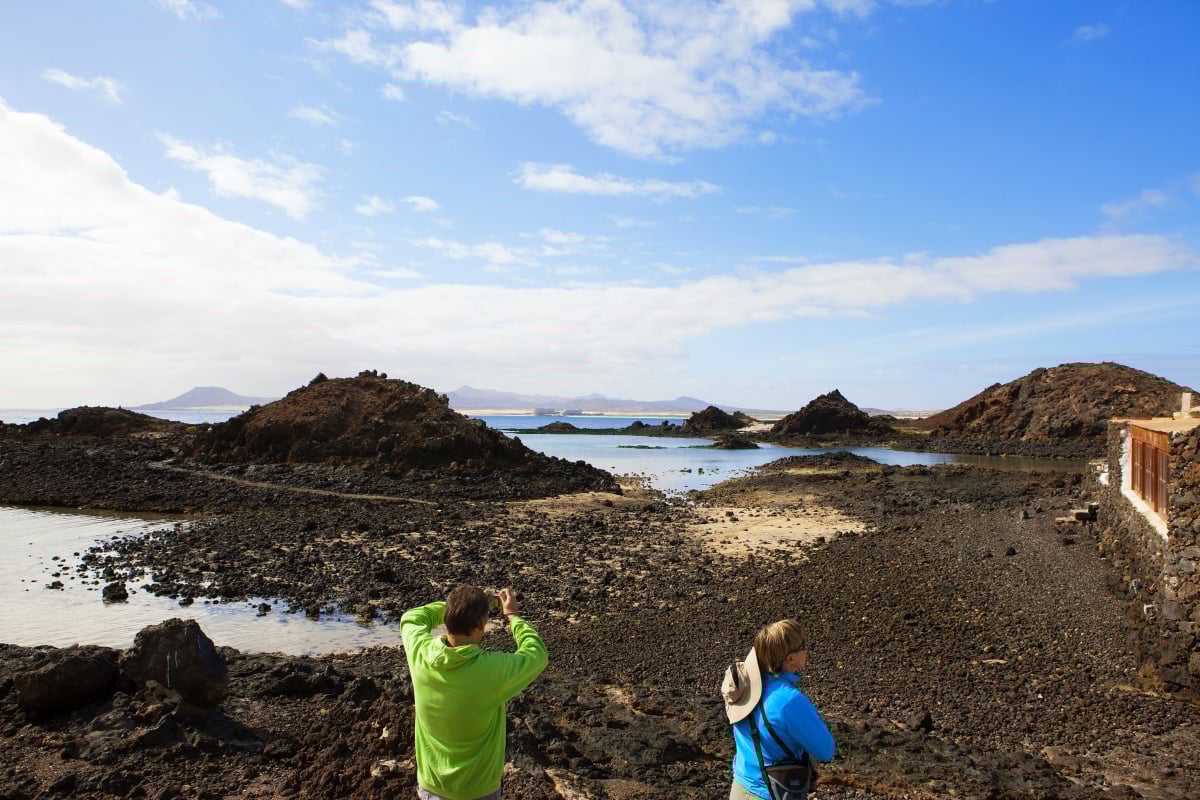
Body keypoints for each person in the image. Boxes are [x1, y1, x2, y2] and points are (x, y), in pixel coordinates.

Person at [401, 585, 548, 800]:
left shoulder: (421, 654)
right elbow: (536, 654)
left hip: (432, 787)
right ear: (482, 624)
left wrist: (456, 609)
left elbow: (411, 617)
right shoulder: (493, 671)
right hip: (479, 790)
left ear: (447, 618)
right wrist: (513, 616)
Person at [722, 619, 835, 800]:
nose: (807, 650)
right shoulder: (790, 701)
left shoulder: (745, 687)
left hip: (740, 789)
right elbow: (825, 750)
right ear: (790, 658)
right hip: (772, 793)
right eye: (803, 646)